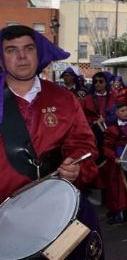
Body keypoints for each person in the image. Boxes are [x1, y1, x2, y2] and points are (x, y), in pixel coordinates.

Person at [0, 24, 102, 259]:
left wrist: (75, 166)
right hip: (5, 220)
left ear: (39, 53)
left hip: (57, 213)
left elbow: (84, 145)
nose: (22, 57)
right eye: (11, 50)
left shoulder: (63, 98)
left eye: (28, 48)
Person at [103, 103, 127, 224]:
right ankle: (113, 214)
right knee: (115, 189)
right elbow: (107, 147)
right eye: (122, 111)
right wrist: (113, 158)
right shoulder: (111, 129)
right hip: (117, 162)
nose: (125, 113)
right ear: (116, 112)